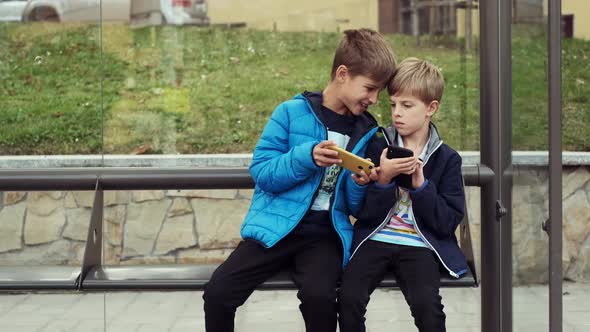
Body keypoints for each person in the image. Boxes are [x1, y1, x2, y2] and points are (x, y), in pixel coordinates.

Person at [202, 28, 397, 332]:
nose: (374, 99)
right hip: (275, 228)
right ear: (343, 74)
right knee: (218, 294)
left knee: (320, 298)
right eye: (370, 88)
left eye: (378, 92)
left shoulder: (367, 132)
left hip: (325, 236)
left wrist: (360, 185)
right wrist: (306, 157)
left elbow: (355, 208)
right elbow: (263, 173)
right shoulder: (291, 113)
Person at [337, 57, 467, 332]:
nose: (397, 113)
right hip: (375, 238)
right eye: (393, 104)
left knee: (427, 307)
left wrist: (421, 187)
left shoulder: (447, 159)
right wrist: (383, 179)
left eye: (407, 106)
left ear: (431, 108)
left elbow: (447, 222)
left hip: (420, 245)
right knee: (348, 299)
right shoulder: (378, 144)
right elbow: (363, 214)